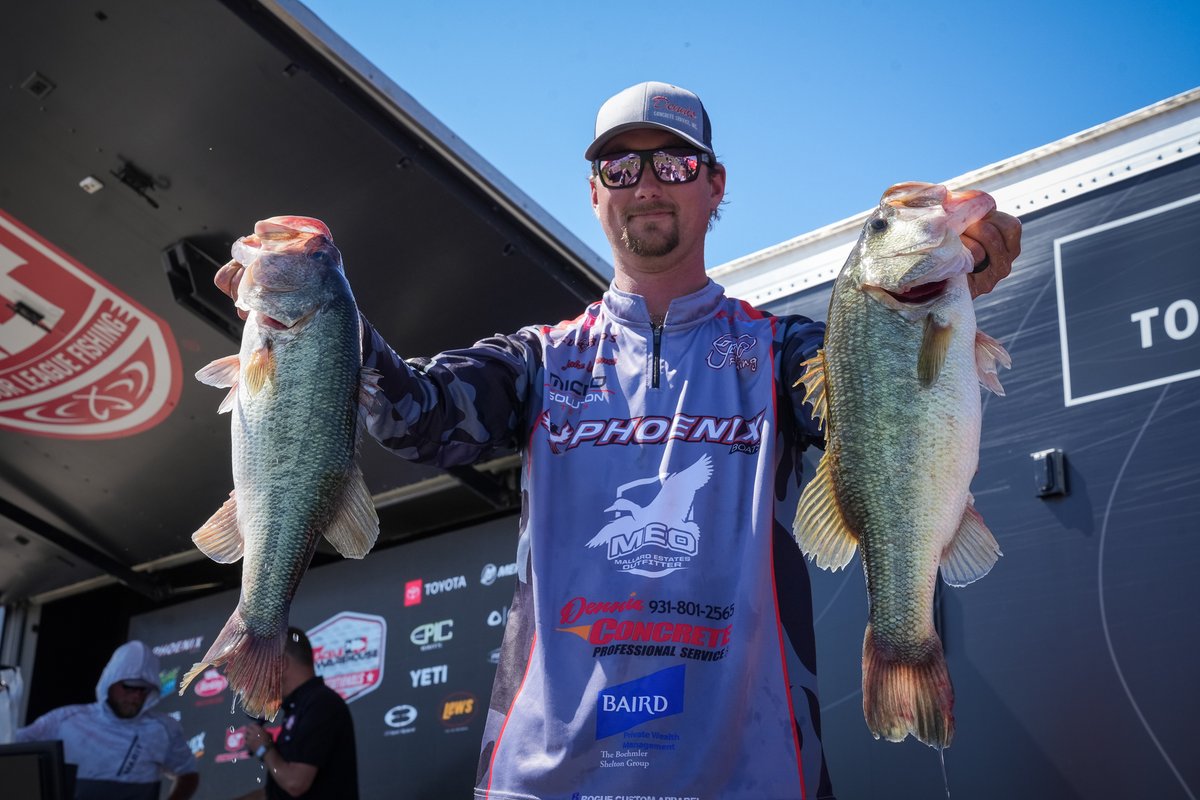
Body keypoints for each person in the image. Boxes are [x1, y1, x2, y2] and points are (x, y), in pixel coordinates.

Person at [215, 80, 1020, 799]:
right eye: (619, 168)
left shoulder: (787, 354)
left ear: (715, 186)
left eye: (673, 164)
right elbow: (417, 417)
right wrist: (314, 320)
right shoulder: (537, 359)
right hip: (548, 776)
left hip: (755, 770)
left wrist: (950, 285)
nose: (645, 186)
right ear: (594, 194)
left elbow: (896, 423)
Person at [15, 640, 199, 800]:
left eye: (143, 690)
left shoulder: (165, 728)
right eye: (129, 687)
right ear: (110, 681)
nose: (136, 697)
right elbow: (12, 748)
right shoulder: (64, 720)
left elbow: (188, 774)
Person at [238, 627, 359, 800]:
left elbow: (295, 783)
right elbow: (278, 794)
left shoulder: (320, 704)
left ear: (281, 663)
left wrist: (264, 748)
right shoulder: (298, 708)